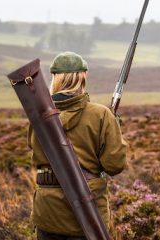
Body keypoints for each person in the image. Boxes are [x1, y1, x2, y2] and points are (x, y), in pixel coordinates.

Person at [27, 51, 127, 240]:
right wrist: (115, 129)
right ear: (83, 77)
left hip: (47, 213)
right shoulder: (101, 115)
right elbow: (114, 165)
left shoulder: (38, 117)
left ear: (54, 78)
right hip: (87, 216)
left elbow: (35, 154)